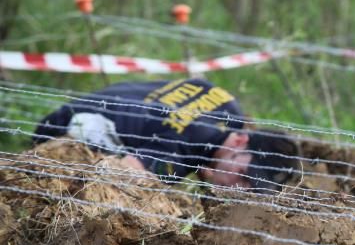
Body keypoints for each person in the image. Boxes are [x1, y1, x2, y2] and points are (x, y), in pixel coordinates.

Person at [33, 78, 300, 190]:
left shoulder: (228, 105)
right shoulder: (176, 159)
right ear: (241, 140)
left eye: (250, 188)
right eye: (243, 175)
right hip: (57, 135)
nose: (238, 189)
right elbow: (122, 175)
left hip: (90, 102)